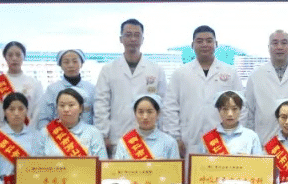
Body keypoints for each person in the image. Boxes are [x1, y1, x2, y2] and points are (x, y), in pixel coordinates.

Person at [164, 26, 244, 157]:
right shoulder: (180, 73)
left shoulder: (230, 72)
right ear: (192, 45)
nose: (204, 44)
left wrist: (238, 136)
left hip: (224, 140)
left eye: (209, 41)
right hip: (189, 140)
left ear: (216, 44)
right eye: (200, 41)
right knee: (191, 170)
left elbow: (242, 107)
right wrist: (175, 138)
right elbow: (170, 108)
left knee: (222, 169)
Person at [39, 87, 107, 184]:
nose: (66, 109)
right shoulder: (45, 133)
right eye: (62, 105)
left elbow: (102, 169)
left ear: (81, 108)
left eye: (71, 105)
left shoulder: (93, 133)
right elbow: (33, 167)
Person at [95, 19, 167, 154]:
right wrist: (102, 134)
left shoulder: (156, 69)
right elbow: (101, 104)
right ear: (121, 39)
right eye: (128, 35)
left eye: (137, 35)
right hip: (118, 137)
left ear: (142, 39)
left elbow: (164, 104)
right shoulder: (108, 69)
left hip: (151, 138)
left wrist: (164, 133)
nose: (133, 39)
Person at [36, 49, 95, 130]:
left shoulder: (91, 88)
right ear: (60, 65)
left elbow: (98, 116)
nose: (71, 65)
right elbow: (43, 119)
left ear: (81, 64)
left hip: (87, 135)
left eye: (75, 61)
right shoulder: (52, 89)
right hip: (59, 136)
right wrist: (49, 135)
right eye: (66, 62)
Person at [113, 95, 179, 160]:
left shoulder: (169, 142)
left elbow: (175, 167)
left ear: (158, 113)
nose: (145, 117)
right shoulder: (124, 142)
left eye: (150, 112)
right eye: (141, 112)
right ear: (135, 114)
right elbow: (117, 167)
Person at [198, 91, 264, 155]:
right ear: (219, 110)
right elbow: (199, 161)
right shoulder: (207, 139)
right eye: (225, 109)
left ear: (240, 110)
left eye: (234, 109)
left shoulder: (251, 136)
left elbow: (259, 162)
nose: (230, 114)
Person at [0, 41, 43, 111]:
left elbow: (38, 110)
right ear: (5, 57)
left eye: (18, 55)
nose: (14, 58)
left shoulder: (35, 84)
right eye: (10, 55)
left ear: (24, 57)